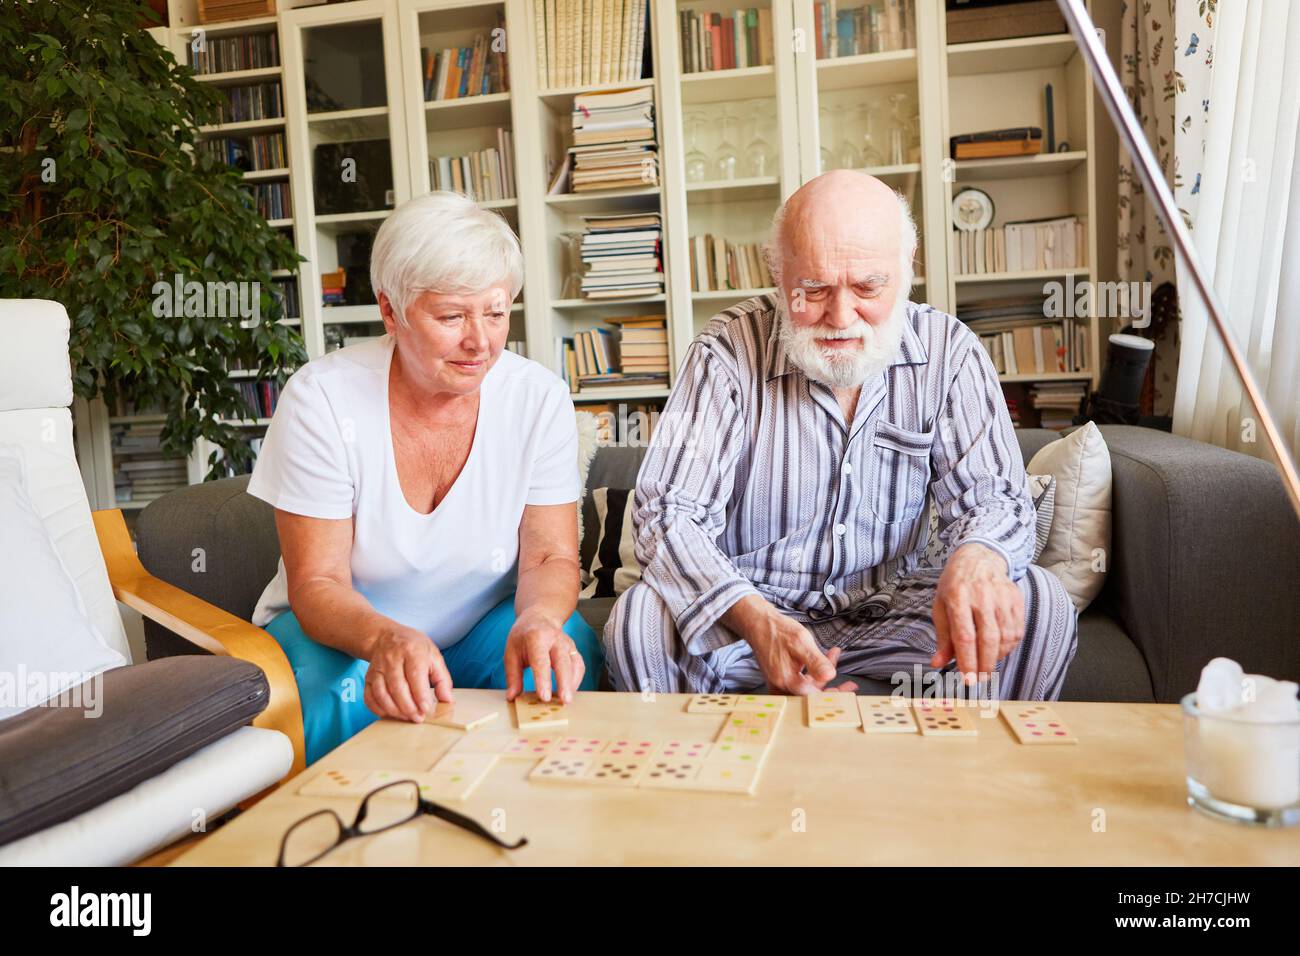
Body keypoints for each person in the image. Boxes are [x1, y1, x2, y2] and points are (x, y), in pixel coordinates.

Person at [603, 170, 1077, 699]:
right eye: (814, 289)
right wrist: (756, 621)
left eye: (868, 287)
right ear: (777, 275)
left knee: (1042, 601)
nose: (841, 316)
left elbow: (995, 498)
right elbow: (667, 510)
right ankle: (710, 776)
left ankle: (966, 777)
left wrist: (977, 557)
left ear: (907, 269)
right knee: (640, 617)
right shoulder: (726, 352)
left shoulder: (950, 351)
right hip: (752, 619)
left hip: (899, 620)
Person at [248, 191, 602, 764]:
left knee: (564, 654)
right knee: (332, 700)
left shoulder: (538, 397)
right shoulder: (322, 399)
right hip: (346, 633)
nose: (480, 341)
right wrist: (386, 638)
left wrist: (537, 619)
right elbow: (317, 584)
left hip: (479, 627)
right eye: (451, 316)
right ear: (391, 312)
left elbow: (548, 559)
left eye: (495, 311)